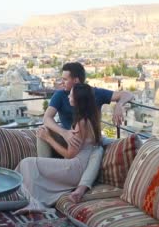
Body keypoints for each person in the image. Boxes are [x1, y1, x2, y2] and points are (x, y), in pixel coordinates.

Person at [37, 62, 134, 202]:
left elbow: (127, 94)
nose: (61, 82)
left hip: (90, 140)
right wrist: (64, 133)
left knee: (100, 148)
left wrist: (119, 105)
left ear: (75, 80)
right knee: (43, 132)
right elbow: (46, 118)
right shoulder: (60, 95)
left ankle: (81, 187)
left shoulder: (95, 93)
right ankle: (46, 176)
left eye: (65, 79)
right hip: (69, 138)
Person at [14, 83, 102, 213]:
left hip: (75, 168)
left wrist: (47, 138)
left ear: (77, 99)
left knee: (27, 163)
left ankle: (35, 202)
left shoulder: (81, 123)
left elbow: (69, 155)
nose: (68, 97)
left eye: (71, 95)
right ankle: (34, 201)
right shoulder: (92, 119)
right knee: (29, 165)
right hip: (80, 167)